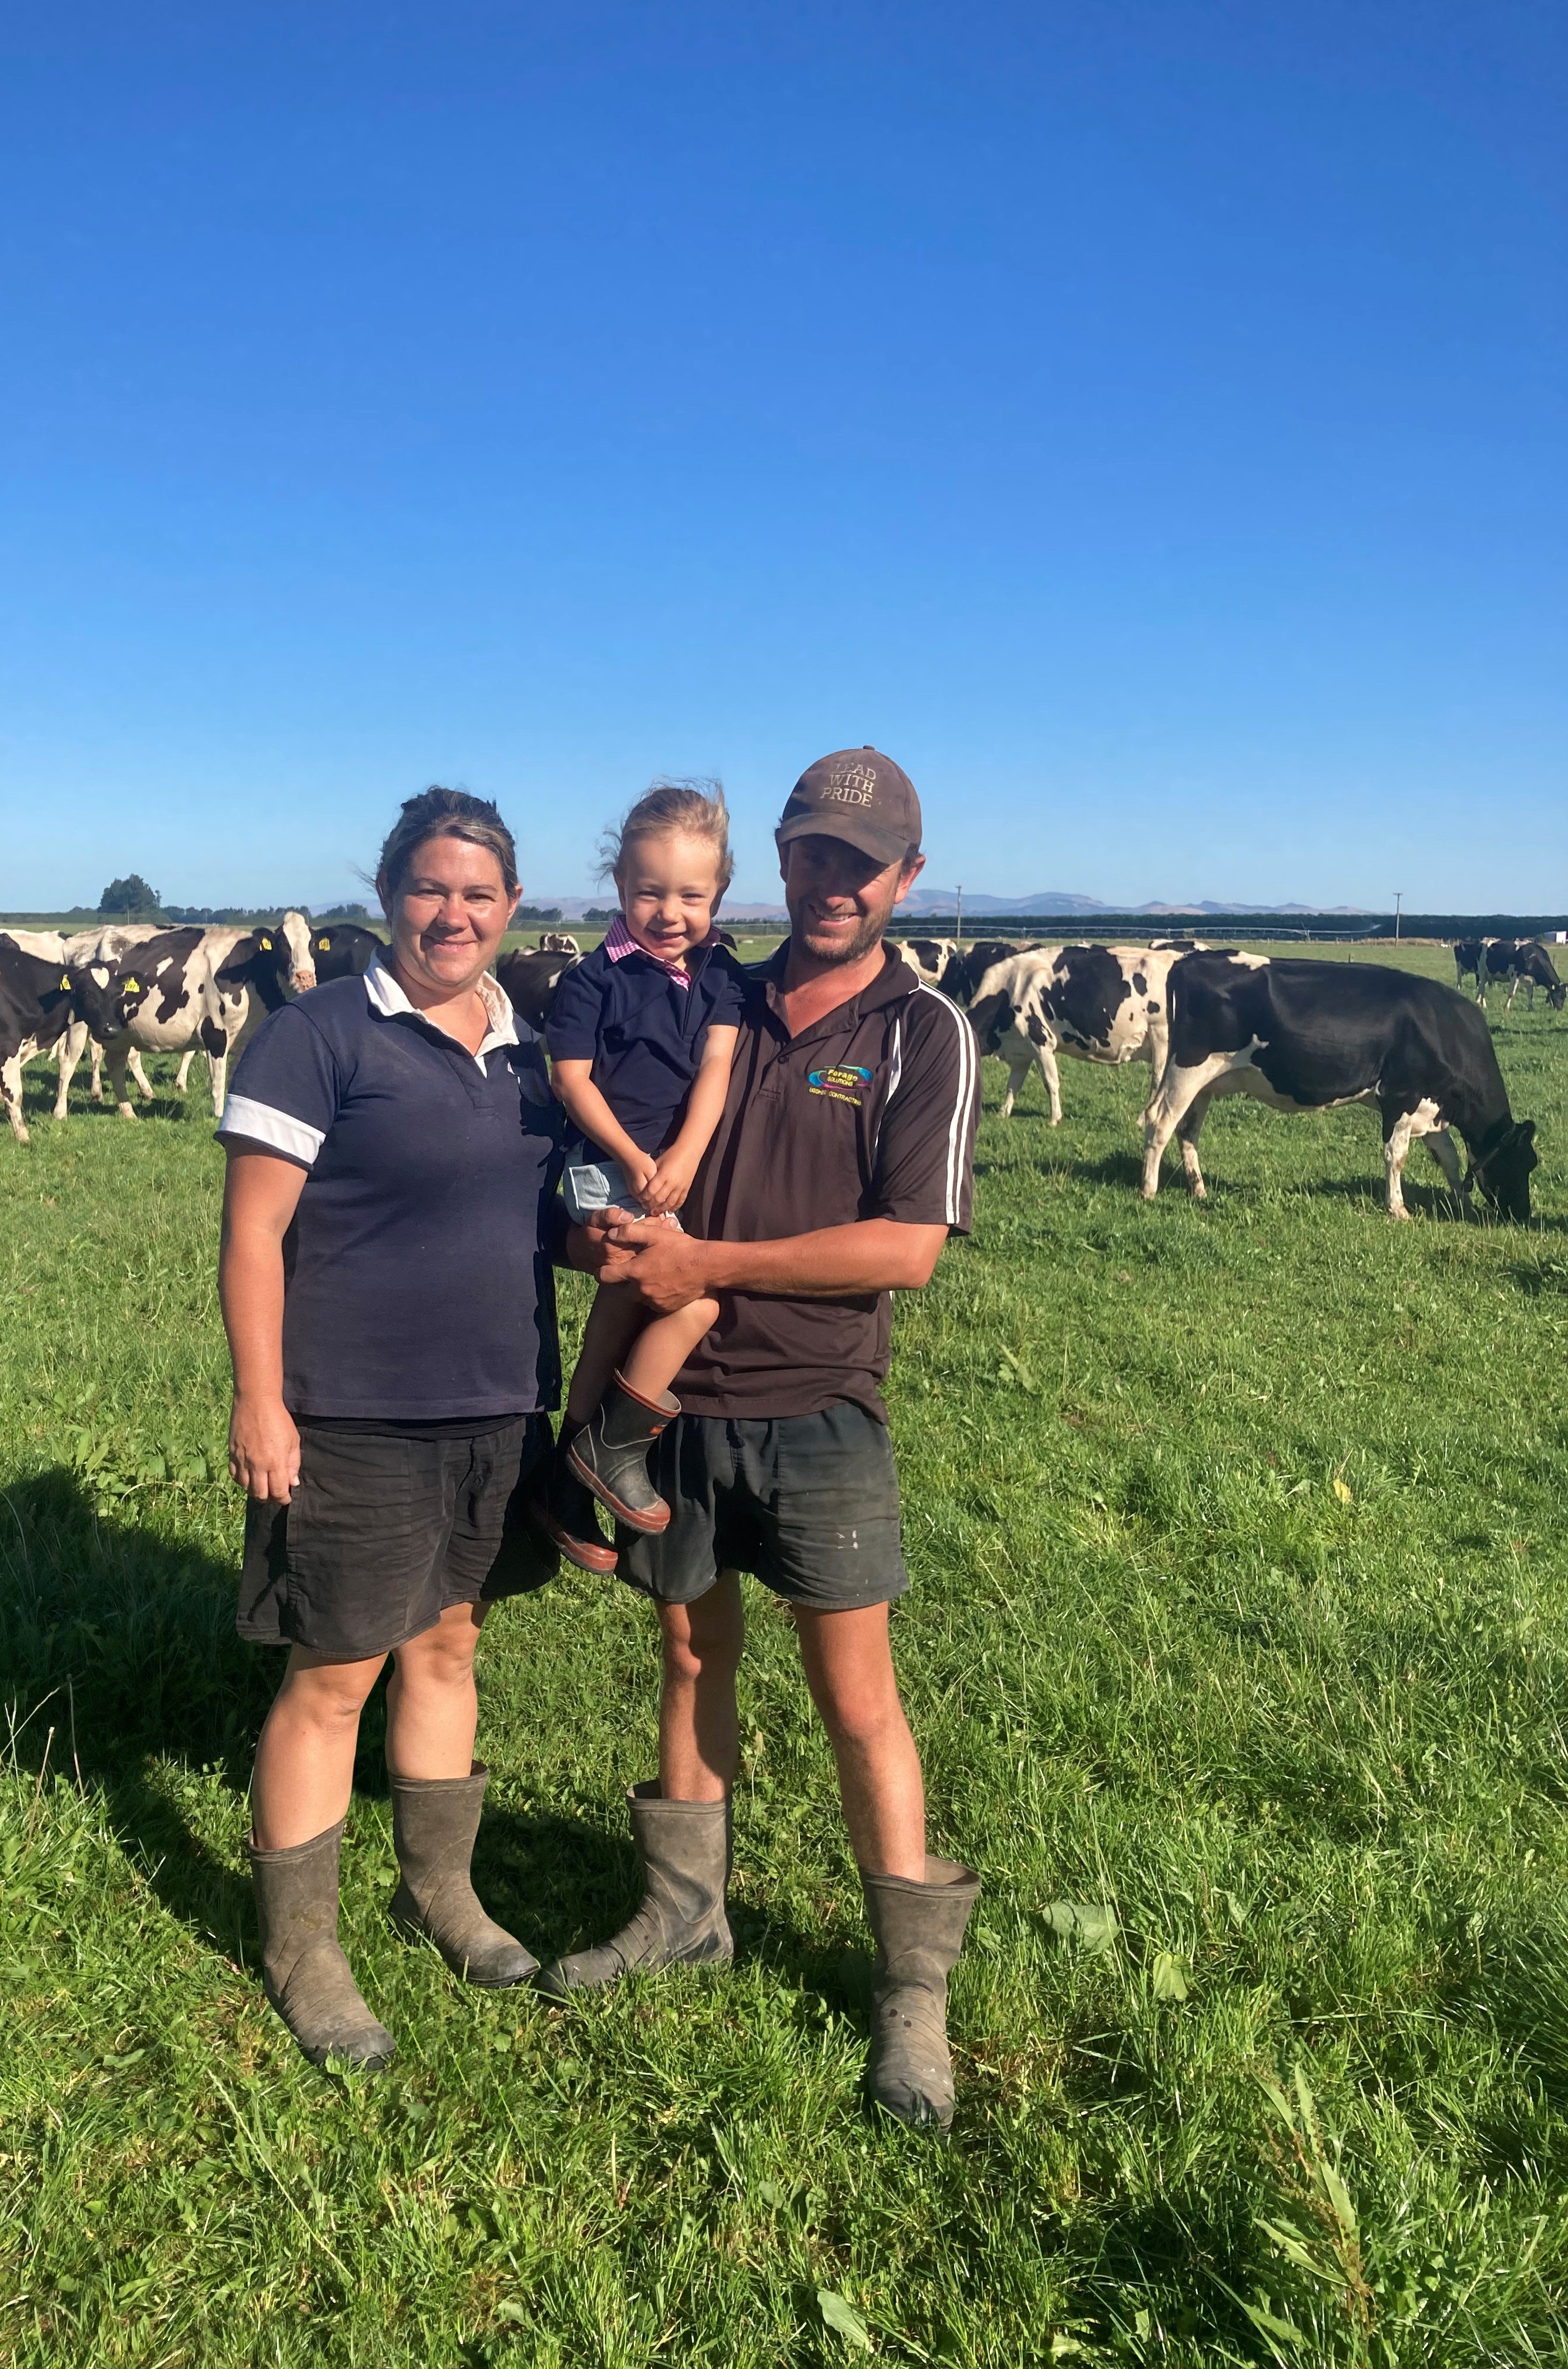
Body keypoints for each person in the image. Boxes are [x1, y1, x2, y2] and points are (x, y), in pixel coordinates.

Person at [540, 747, 983, 2132]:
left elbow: (906, 1250)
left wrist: (707, 1262)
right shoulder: (711, 993)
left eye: (864, 863)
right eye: (813, 854)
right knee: (687, 1652)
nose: (834, 883)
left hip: (819, 1403)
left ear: (907, 877)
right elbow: (589, 1170)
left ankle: (913, 1997)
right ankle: (685, 1915)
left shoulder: (922, 1033)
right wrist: (600, 1246)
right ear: (777, 864)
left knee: (857, 1691)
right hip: (670, 1403)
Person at [216, 787, 564, 2072]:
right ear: (388, 897)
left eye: (479, 894)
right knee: (333, 1673)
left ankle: (441, 1891)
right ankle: (303, 1950)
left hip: (497, 1404)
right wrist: (263, 1399)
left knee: (450, 1649)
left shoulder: (529, 1045)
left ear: (512, 908)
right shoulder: (318, 1037)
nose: (453, 913)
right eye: (430, 889)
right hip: (352, 1412)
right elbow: (254, 1232)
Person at [533, 782, 746, 1569]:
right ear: (620, 887)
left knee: (620, 1315)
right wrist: (636, 1160)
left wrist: (685, 1157)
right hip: (608, 1168)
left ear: (718, 891)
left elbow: (717, 1066)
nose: (670, 912)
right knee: (695, 1304)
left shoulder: (721, 974)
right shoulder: (594, 980)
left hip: (668, 1169)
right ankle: (612, 1450)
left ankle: (563, 1479)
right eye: (649, 891)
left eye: (691, 895)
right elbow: (572, 1081)